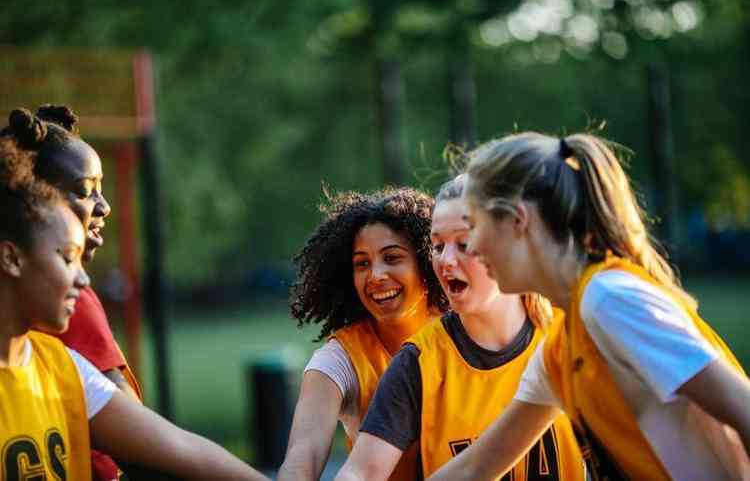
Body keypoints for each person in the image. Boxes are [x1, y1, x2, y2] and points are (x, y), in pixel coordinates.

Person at [428, 132, 750, 481]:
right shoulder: (561, 346)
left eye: (472, 227)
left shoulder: (609, 300)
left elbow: (743, 409)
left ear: (518, 220)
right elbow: (476, 467)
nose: (471, 247)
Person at [0, 112, 269, 481]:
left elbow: (179, 450)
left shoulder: (63, 368)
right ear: (12, 256)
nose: (81, 278)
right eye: (66, 258)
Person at [333, 175, 584, 481]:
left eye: (464, 244)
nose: (446, 261)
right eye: (437, 245)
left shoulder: (566, 338)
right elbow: (360, 473)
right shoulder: (419, 363)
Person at [2, 104, 142, 480]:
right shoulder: (69, 302)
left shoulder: (55, 350)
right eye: (85, 191)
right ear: (38, 199)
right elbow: (146, 450)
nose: (105, 206)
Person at [278, 187, 449, 481]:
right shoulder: (339, 360)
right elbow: (304, 454)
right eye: (362, 263)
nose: (375, 275)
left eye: (392, 258)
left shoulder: (464, 331)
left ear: (425, 262)